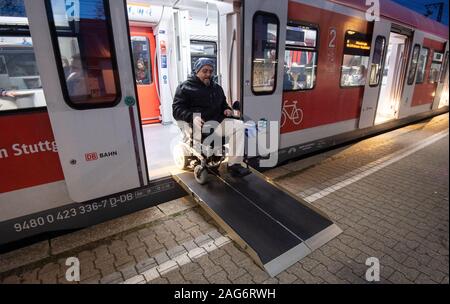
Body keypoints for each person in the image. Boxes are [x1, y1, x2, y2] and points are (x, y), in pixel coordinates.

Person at [172, 57, 250, 177]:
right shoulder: (184, 88)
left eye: (210, 71)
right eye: (205, 71)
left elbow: (224, 104)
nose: (208, 74)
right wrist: (192, 117)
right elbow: (177, 110)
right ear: (197, 71)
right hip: (199, 126)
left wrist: (227, 110)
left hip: (218, 123)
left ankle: (234, 165)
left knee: (239, 125)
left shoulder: (217, 88)